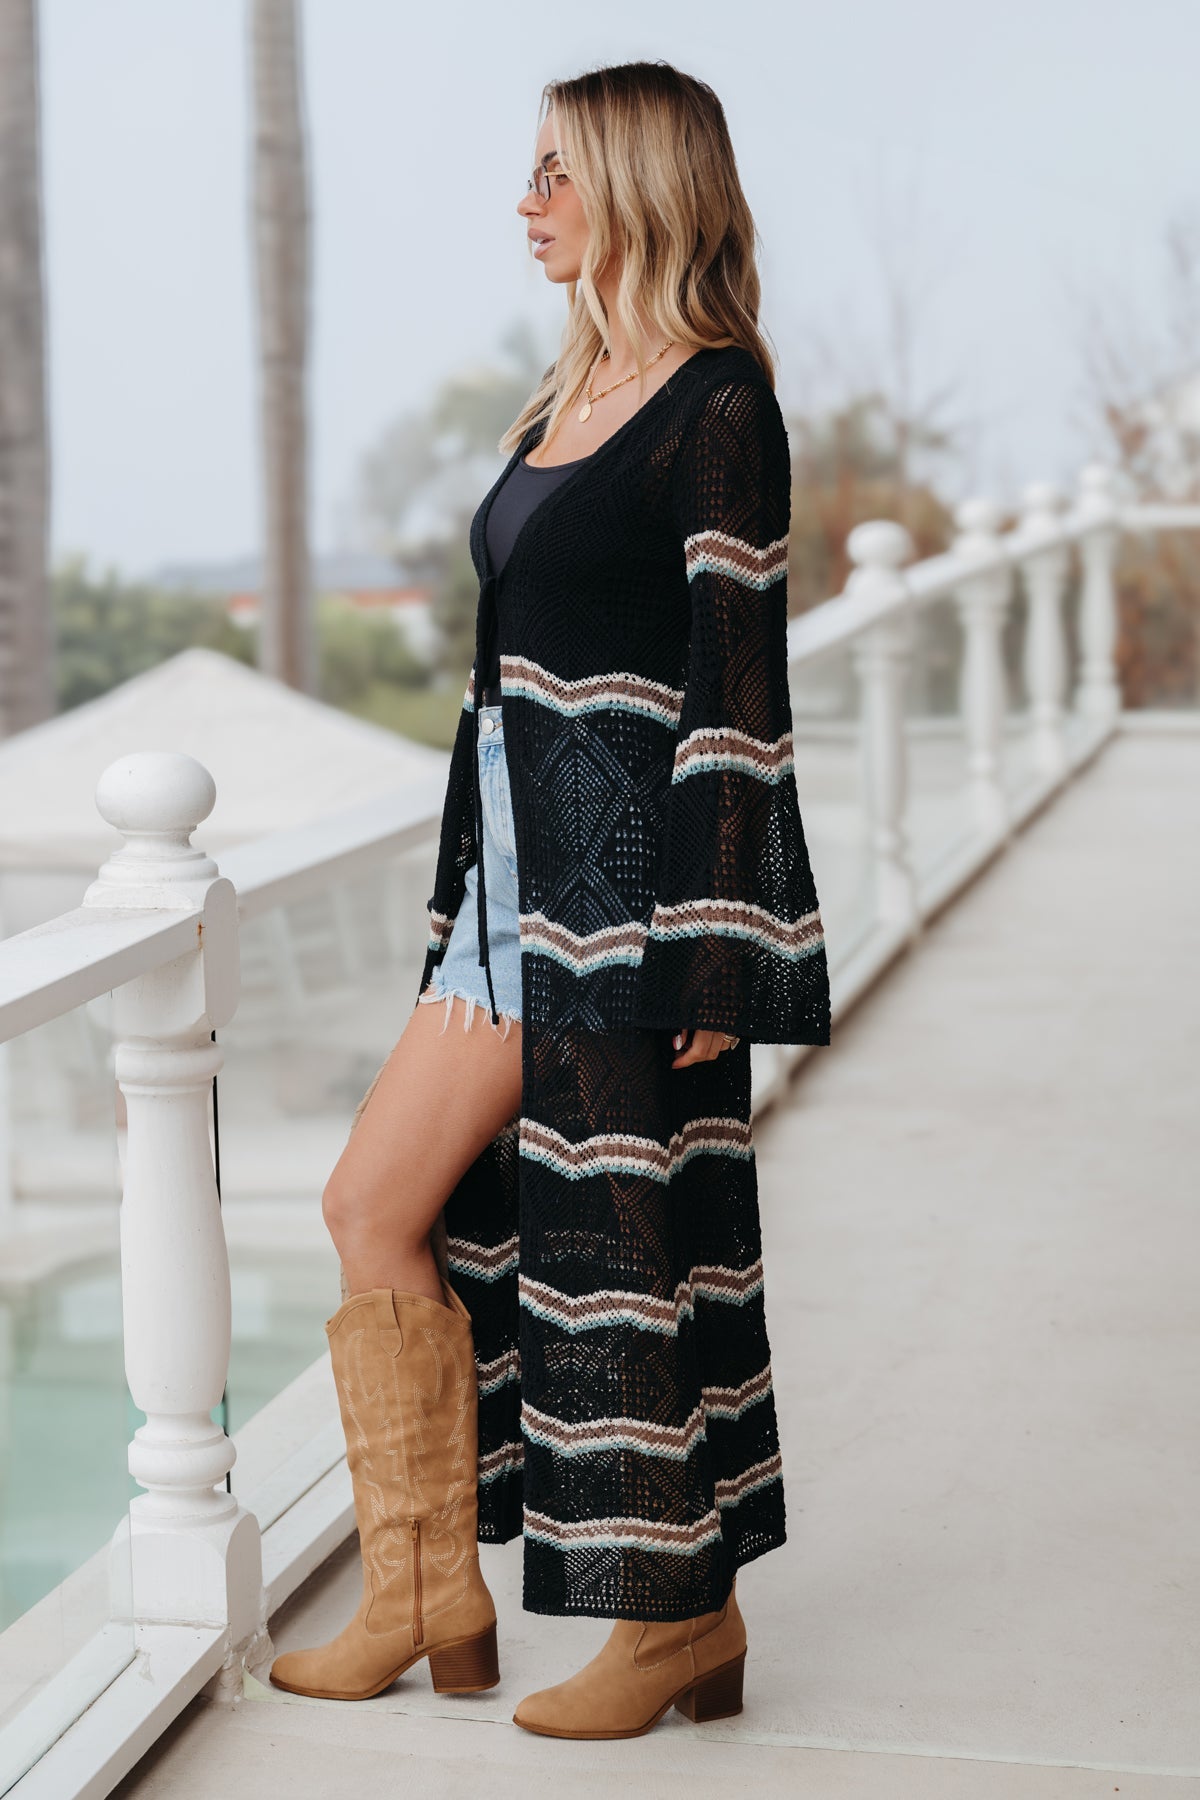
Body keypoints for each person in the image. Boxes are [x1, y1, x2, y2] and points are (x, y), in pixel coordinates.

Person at [269, 58, 831, 1741]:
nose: (527, 204)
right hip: (511, 901)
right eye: (529, 174)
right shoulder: (564, 394)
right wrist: (467, 896)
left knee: (623, 1246)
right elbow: (505, 681)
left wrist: (713, 949)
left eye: (555, 173)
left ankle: (679, 1621)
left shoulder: (719, 409)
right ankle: (424, 1594)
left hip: (634, 905)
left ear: (641, 184)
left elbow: (738, 681)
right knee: (377, 1202)